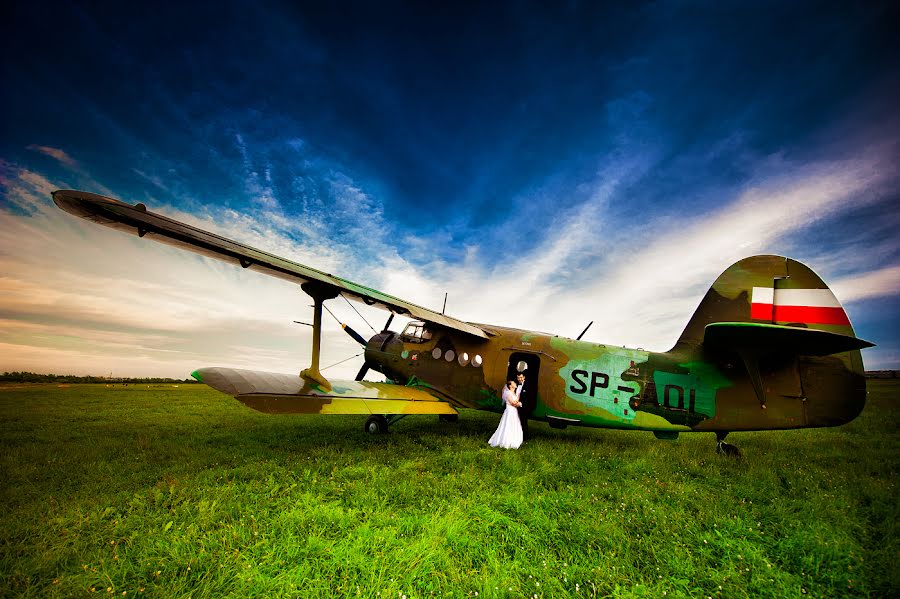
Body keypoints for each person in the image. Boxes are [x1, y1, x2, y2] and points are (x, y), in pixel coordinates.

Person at [488, 381, 523, 449]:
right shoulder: (507, 393)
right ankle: (505, 440)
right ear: (510, 386)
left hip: (514, 411)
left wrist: (518, 394)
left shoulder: (514, 393)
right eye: (513, 383)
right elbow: (513, 403)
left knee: (514, 424)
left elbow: (516, 400)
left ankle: (514, 439)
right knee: (508, 424)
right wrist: (520, 404)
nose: (515, 384)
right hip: (509, 411)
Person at [516, 372, 531, 439]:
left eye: (521, 377)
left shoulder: (528, 385)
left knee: (523, 422)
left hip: (523, 407)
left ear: (524, 377)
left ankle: (525, 437)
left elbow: (529, 397)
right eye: (518, 378)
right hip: (515, 406)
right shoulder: (515, 385)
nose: (520, 379)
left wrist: (521, 403)